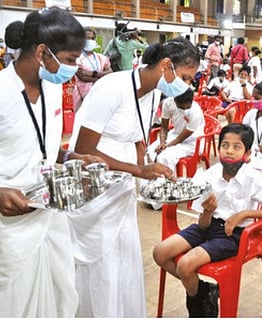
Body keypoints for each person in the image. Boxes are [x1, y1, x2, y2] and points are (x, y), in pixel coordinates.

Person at [68, 37, 199, 316]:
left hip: (121, 186)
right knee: (100, 262)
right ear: (166, 66)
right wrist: (138, 170)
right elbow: (83, 150)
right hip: (96, 183)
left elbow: (139, 131)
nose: (187, 86)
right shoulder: (111, 87)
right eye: (186, 77)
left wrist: (145, 160)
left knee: (121, 259)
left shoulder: (151, 91)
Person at [0, 7, 104, 317]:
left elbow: (40, 143)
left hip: (48, 213)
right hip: (10, 225)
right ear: (43, 52)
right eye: (71, 59)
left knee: (59, 301)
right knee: (15, 305)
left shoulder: (53, 88)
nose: (75, 68)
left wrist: (70, 156)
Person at [152, 123, 262, 317]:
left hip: (233, 235)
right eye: (225, 145)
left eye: (236, 147)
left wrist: (244, 214)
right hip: (208, 227)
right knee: (160, 253)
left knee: (185, 265)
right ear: (219, 148)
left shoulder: (254, 178)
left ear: (247, 154)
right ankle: (206, 290)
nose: (229, 151)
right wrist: (207, 211)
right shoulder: (210, 174)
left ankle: (200, 311)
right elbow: (203, 224)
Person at [147, 88, 205, 174]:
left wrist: (166, 146)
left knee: (165, 157)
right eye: (181, 106)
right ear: (174, 100)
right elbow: (163, 127)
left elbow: (180, 139)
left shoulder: (195, 112)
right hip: (175, 134)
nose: (184, 109)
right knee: (150, 151)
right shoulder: (168, 104)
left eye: (187, 106)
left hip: (193, 141)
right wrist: (162, 142)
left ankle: (167, 183)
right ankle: (154, 178)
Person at [73, 27, 113, 111]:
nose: (90, 40)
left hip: (98, 95)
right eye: (87, 38)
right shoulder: (76, 57)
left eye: (92, 38)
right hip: (80, 97)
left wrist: (92, 73)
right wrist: (102, 76)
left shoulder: (100, 57)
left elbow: (110, 72)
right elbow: (82, 77)